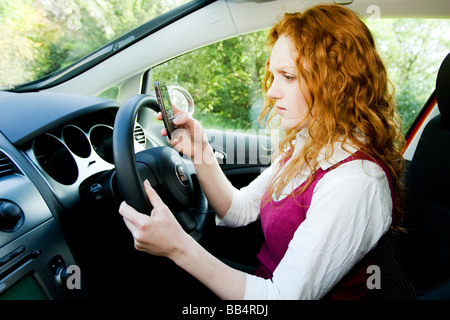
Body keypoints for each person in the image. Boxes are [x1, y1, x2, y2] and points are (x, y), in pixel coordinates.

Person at [118, 4, 405, 300]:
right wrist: (201, 150)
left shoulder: (355, 182)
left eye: (289, 77)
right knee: (131, 271)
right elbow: (238, 210)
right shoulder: (309, 141)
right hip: (258, 283)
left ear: (338, 82)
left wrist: (178, 246)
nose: (271, 91)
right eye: (273, 75)